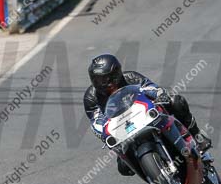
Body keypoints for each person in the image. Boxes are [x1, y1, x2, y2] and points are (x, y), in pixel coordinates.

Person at [83, 54, 212, 176]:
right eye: (96, 80)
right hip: (122, 130)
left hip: (146, 115)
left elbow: (150, 87)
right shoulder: (91, 97)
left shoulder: (131, 78)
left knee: (176, 101)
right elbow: (96, 120)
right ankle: (154, 170)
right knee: (124, 168)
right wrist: (101, 131)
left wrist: (159, 94)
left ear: (115, 73)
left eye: (104, 79)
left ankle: (197, 136)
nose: (101, 83)